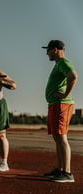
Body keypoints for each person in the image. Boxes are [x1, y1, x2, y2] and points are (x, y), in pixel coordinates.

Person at [42, 40, 77, 183]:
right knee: (57, 137)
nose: (46, 53)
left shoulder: (62, 62)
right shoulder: (58, 64)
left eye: (48, 50)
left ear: (55, 49)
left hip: (61, 104)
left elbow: (73, 76)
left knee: (62, 138)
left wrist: (65, 94)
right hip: (55, 104)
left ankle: (67, 173)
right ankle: (61, 169)